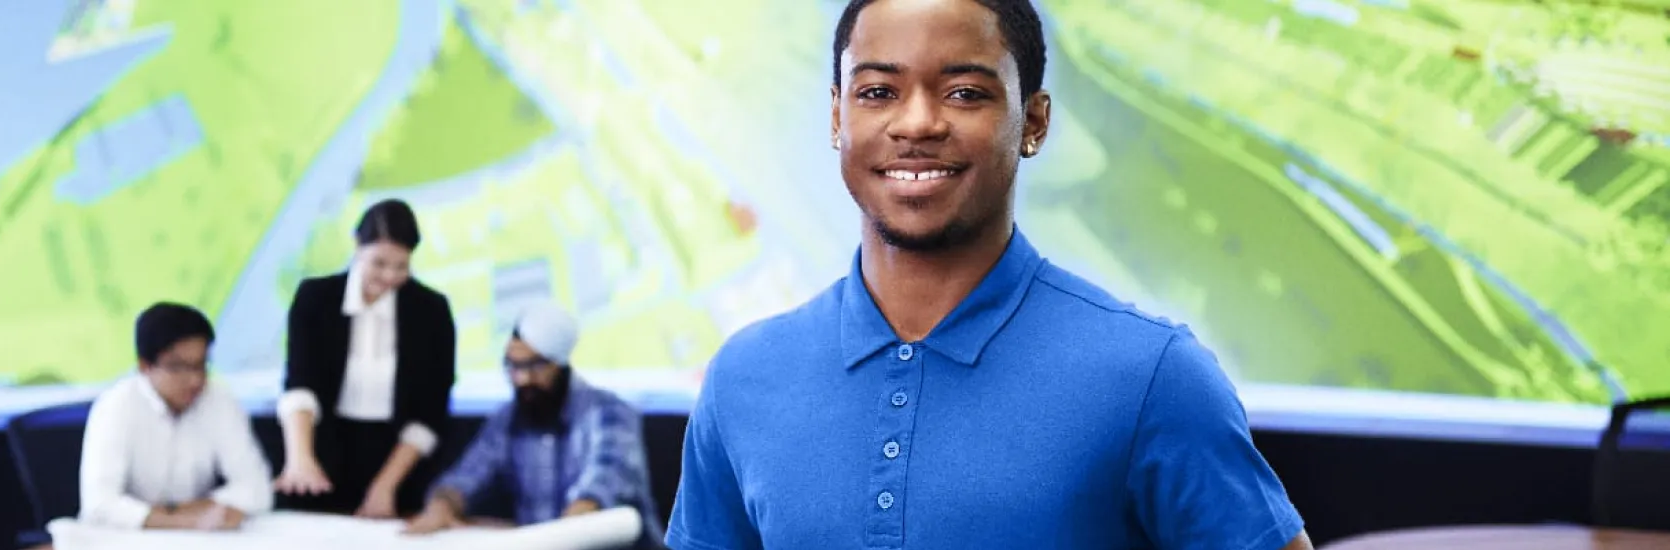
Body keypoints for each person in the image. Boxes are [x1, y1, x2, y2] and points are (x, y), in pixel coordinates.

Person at [665, 0, 1313, 548]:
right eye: (878, 92)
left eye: (965, 93)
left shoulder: (1152, 377)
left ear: (1033, 121)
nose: (916, 122)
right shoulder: (744, 379)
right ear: (838, 118)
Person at [404, 301, 663, 549]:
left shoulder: (609, 413)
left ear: (559, 363)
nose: (523, 378)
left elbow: (601, 487)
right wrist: (442, 506)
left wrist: (568, 527)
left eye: (534, 365)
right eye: (513, 366)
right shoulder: (507, 419)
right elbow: (465, 476)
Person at [273, 199, 458, 518]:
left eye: (401, 266)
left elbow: (430, 411)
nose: (390, 276)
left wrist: (386, 486)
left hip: (398, 461)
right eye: (379, 263)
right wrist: (300, 457)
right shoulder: (316, 298)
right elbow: (300, 383)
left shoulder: (432, 310)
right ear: (358, 246)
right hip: (325, 451)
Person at [78, 302, 273, 530]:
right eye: (178, 367)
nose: (195, 380)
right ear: (144, 366)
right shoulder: (116, 406)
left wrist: (174, 513)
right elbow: (99, 505)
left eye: (201, 365)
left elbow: (258, 489)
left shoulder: (219, 398)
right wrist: (184, 520)